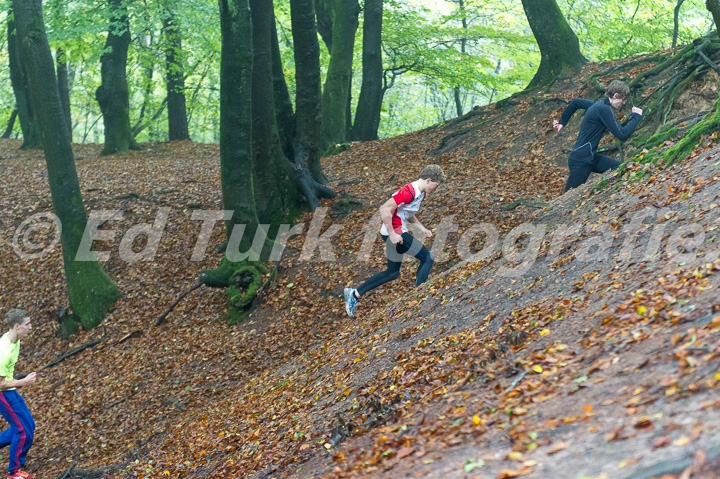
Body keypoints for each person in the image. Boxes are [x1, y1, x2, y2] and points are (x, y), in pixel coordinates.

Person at [344, 165, 446, 318]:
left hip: (395, 232)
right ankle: (420, 297)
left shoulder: (421, 193)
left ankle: (355, 294)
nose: (436, 189)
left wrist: (421, 227)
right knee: (428, 258)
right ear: (428, 180)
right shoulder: (408, 192)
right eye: (436, 186)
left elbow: (407, 213)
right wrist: (392, 234)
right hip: (395, 233)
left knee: (392, 273)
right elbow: (384, 209)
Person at [553, 80, 643, 192]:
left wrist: (562, 121)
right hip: (581, 161)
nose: (624, 103)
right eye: (623, 99)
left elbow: (576, 103)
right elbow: (622, 134)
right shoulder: (603, 109)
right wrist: (636, 116)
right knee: (567, 201)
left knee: (622, 169)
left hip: (590, 158)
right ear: (615, 96)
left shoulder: (598, 106)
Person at [0, 310, 36, 479]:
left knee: (29, 425)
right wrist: (24, 381)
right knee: (22, 430)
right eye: (27, 324)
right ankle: (13, 472)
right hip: (2, 393)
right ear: (17, 326)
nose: (31, 327)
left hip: (9, 390)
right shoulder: (3, 352)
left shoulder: (17, 339)